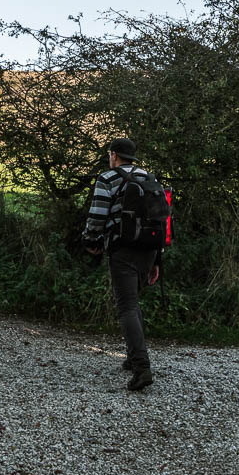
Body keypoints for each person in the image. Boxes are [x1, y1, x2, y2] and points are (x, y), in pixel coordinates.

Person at [83, 137, 160, 392]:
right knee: (133, 302)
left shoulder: (108, 178)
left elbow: (97, 215)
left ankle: (141, 368)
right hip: (148, 249)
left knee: (126, 306)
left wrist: (91, 241)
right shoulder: (149, 178)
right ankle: (132, 358)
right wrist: (157, 258)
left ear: (114, 155)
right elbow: (159, 219)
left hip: (123, 248)